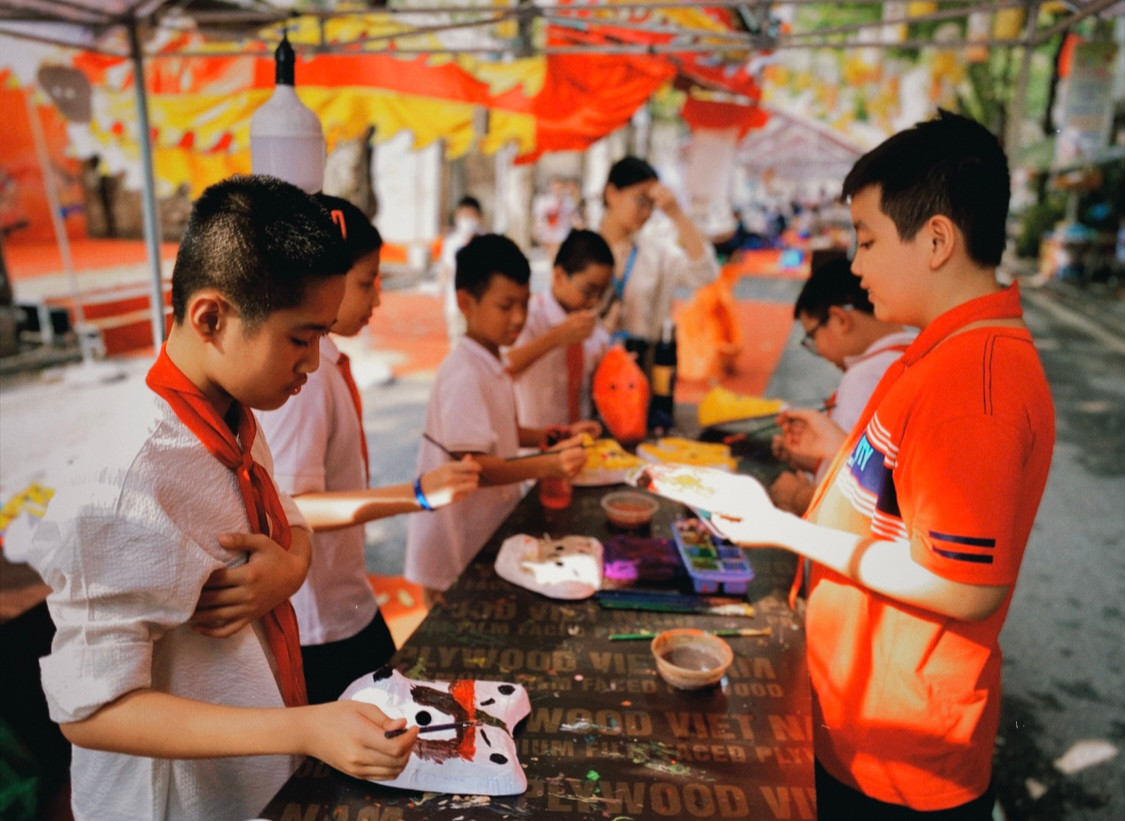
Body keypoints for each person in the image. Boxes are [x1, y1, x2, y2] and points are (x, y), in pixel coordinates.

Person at [25, 175, 417, 821]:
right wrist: (303, 729)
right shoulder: (124, 480)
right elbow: (92, 710)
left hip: (248, 780)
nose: (313, 362)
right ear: (211, 317)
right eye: (300, 337)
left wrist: (288, 567)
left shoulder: (229, 416)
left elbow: (290, 520)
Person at [707, 111, 1054, 816]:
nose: (855, 263)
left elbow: (961, 585)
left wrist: (780, 527)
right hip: (861, 713)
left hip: (901, 753)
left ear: (935, 240)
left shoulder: (975, 381)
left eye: (866, 239)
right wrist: (838, 454)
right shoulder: (937, 349)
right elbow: (909, 494)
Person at [256, 194, 481, 705]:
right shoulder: (305, 380)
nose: (377, 299)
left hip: (343, 601)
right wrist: (417, 494)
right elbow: (294, 506)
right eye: (365, 282)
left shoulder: (326, 364)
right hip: (317, 623)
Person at [404, 233, 597, 605]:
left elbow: (501, 433)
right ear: (465, 303)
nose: (520, 318)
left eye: (524, 304)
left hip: (485, 527)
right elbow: (475, 466)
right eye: (506, 305)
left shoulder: (491, 361)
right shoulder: (464, 372)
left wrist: (555, 435)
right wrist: (549, 465)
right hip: (454, 542)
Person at [768, 254, 916, 515]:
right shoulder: (912, 355)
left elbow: (861, 491)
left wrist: (798, 496)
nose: (816, 350)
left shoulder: (864, 377)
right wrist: (813, 457)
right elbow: (865, 464)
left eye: (812, 336)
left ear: (840, 319)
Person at [598, 156, 719, 368]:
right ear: (611, 194)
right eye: (641, 201)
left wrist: (676, 214)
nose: (647, 212)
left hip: (641, 368)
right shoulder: (581, 249)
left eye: (652, 205)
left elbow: (705, 272)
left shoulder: (655, 252)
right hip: (591, 369)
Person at [507, 228, 615, 427]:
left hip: (576, 441)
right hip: (532, 448)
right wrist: (556, 337)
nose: (594, 302)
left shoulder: (593, 327)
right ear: (558, 276)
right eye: (588, 291)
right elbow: (503, 366)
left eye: (602, 293)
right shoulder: (529, 316)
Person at [438, 195, 484, 342]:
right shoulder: (451, 242)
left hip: (480, 307)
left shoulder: (486, 242)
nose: (466, 221)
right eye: (463, 216)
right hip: (456, 306)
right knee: (457, 347)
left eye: (470, 216)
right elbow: (446, 269)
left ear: (479, 217)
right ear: (456, 216)